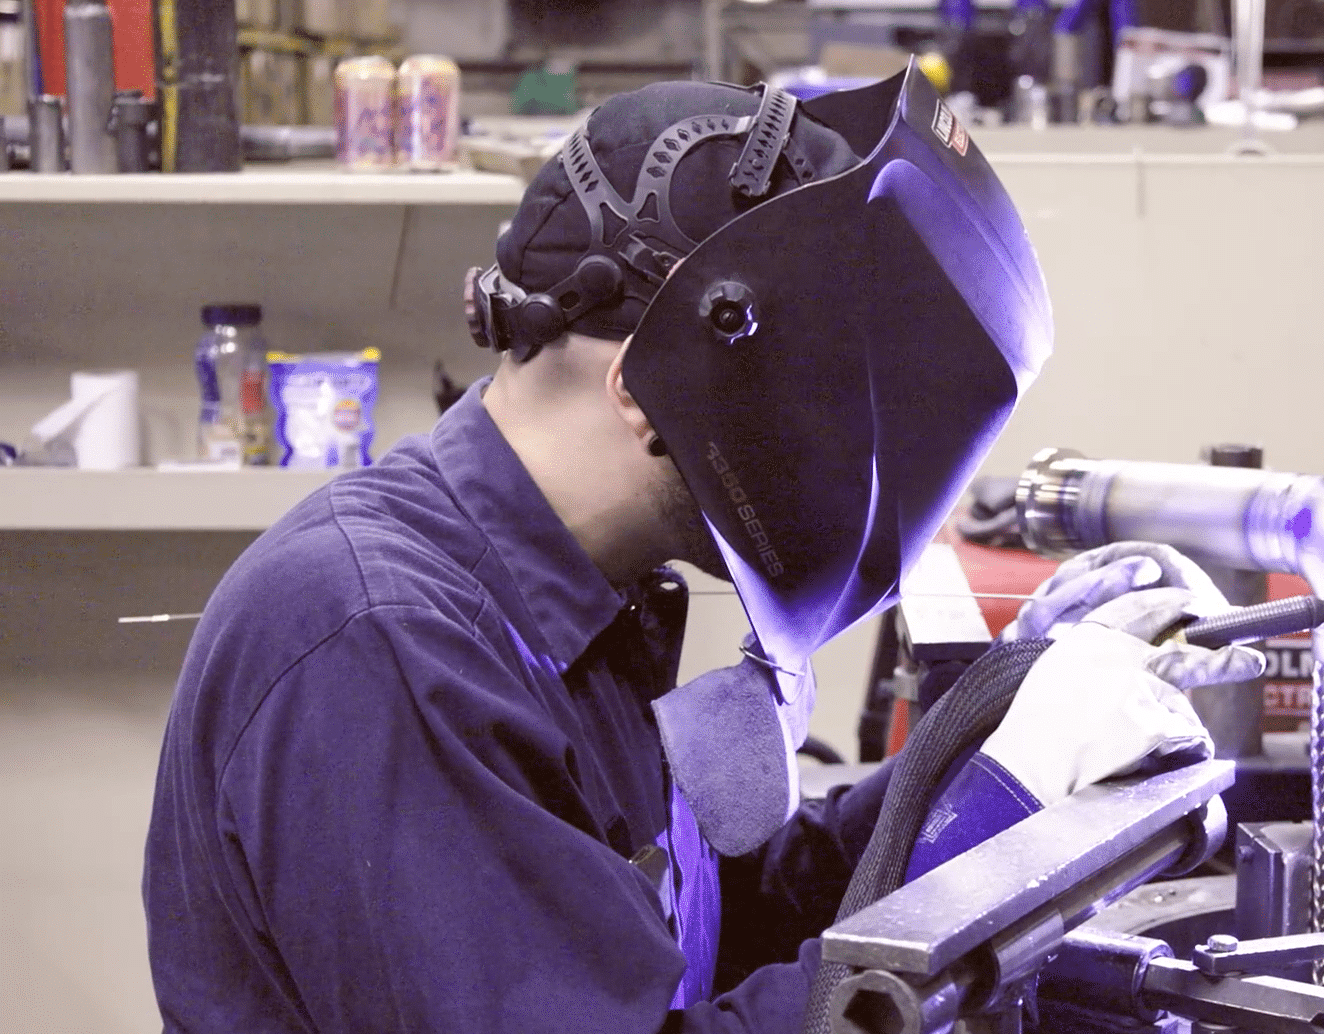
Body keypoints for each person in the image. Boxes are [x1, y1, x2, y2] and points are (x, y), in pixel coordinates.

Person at [143, 67, 1261, 1034]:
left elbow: (714, 927)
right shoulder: (384, 645)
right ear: (650, 381)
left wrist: (1007, 728)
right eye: (816, 390)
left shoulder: (580, 597)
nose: (834, 441)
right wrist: (997, 824)